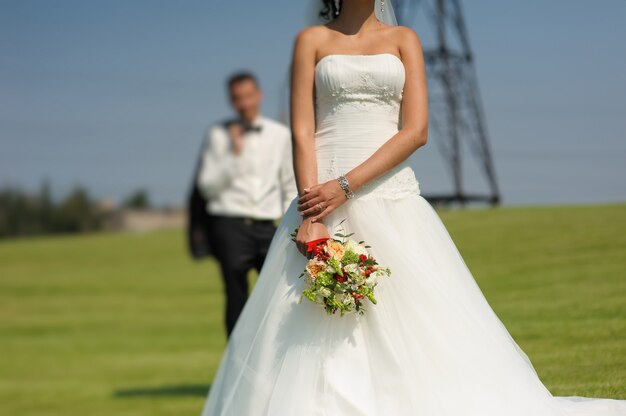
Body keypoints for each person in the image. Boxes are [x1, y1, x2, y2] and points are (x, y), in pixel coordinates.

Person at [200, 1, 626, 414]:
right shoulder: (311, 39)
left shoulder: (405, 39)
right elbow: (302, 129)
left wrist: (344, 187)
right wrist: (314, 215)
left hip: (388, 195)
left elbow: (416, 130)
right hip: (319, 198)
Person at [196, 70, 297, 337]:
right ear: (232, 102)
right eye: (237, 98)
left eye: (248, 96)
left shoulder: (280, 135)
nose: (244, 103)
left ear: (258, 95)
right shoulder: (219, 136)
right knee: (236, 296)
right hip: (230, 226)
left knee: (279, 294)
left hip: (268, 227)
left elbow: (289, 184)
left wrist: (289, 226)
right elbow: (207, 187)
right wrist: (233, 154)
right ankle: (236, 367)